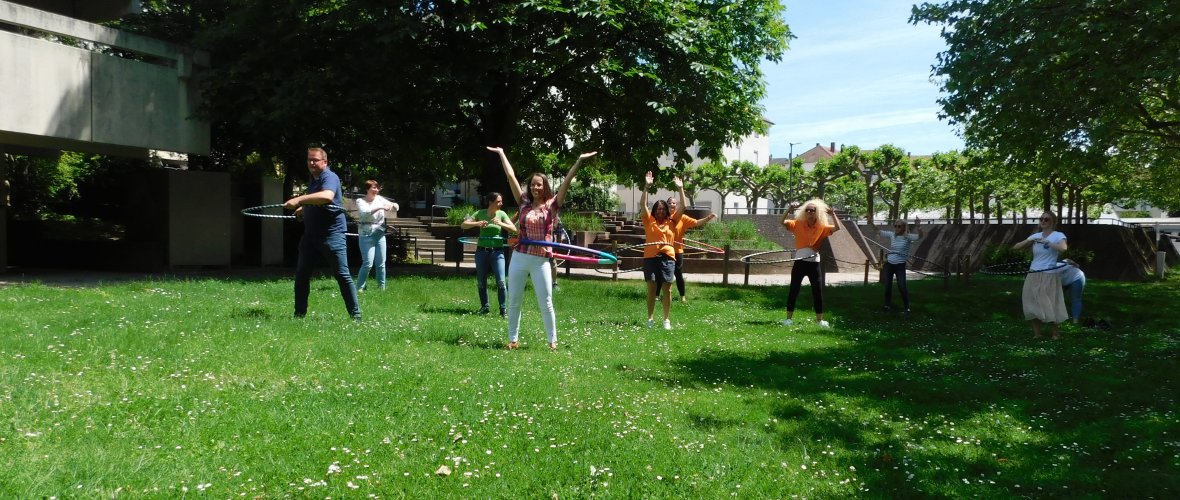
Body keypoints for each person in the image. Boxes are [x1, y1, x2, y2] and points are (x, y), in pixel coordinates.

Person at [487, 146, 596, 350]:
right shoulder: (523, 202)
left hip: (541, 259)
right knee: (514, 300)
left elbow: (566, 183)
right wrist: (502, 153)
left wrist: (579, 161)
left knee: (546, 302)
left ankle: (552, 341)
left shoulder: (552, 204)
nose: (535, 188)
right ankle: (513, 339)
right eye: (532, 185)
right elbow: (510, 176)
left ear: (544, 186)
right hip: (520, 256)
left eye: (539, 185)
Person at [285, 147, 361, 320]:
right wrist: (304, 209)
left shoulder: (330, 177)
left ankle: (356, 317)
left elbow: (327, 196)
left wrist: (299, 199)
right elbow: (319, 201)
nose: (312, 163)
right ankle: (299, 315)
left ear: (325, 162)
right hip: (310, 236)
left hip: (332, 234)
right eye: (309, 160)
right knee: (302, 275)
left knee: (342, 275)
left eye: (316, 160)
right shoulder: (313, 180)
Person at [780, 199, 842, 327]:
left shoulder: (821, 226)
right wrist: (788, 210)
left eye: (812, 210)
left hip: (814, 264)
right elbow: (782, 222)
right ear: (804, 212)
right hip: (800, 262)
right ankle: (788, 319)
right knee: (794, 290)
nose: (809, 212)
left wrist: (832, 214)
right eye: (807, 210)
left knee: (817, 292)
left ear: (816, 212)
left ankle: (820, 320)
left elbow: (837, 228)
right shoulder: (798, 223)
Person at [639, 171, 685, 330]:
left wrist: (680, 189)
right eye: (657, 209)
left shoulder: (672, 222)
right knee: (651, 287)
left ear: (667, 210)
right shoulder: (648, 220)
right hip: (650, 258)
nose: (660, 211)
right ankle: (650, 319)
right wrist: (646, 187)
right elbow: (642, 205)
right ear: (654, 211)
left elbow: (683, 206)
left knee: (668, 287)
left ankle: (666, 320)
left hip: (667, 258)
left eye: (663, 209)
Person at [1012, 211, 1069, 339]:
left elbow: (1063, 248)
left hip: (1049, 273)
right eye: (1041, 219)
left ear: (1053, 222)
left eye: (1046, 219)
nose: (1043, 221)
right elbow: (1016, 247)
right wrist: (1029, 241)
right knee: (1032, 302)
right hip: (1033, 272)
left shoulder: (1058, 235)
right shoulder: (1036, 236)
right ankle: (1037, 334)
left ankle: (1055, 333)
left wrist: (1047, 243)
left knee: (1049, 303)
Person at [461, 192, 516, 316]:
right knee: (481, 281)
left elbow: (513, 229)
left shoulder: (501, 214)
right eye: (498, 201)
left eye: (501, 201)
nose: (501, 204)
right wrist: (477, 223)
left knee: (501, 281)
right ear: (490, 202)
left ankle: (503, 310)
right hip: (482, 251)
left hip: (497, 252)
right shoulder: (480, 213)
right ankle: (485, 307)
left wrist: (500, 223)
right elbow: (463, 225)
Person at [667, 195, 717, 302]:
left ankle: (682, 297)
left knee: (678, 273)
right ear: (667, 205)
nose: (672, 204)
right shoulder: (663, 217)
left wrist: (709, 217)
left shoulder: (683, 218)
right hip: (665, 249)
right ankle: (657, 296)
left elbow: (697, 222)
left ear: (677, 206)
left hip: (677, 250)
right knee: (664, 273)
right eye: (670, 203)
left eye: (674, 203)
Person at [355, 179, 398, 292]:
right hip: (366, 235)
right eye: (373, 188)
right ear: (367, 189)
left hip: (379, 234)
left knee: (381, 264)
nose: (376, 190)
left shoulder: (379, 199)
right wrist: (381, 207)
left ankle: (381, 289)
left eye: (377, 188)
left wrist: (393, 205)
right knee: (368, 263)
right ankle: (359, 288)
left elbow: (395, 206)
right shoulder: (360, 201)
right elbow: (365, 214)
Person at [873, 218, 922, 313]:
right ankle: (887, 306)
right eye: (895, 226)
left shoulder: (908, 237)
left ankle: (907, 307)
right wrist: (871, 222)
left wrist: (918, 226)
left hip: (900, 265)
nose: (896, 228)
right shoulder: (892, 235)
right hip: (889, 264)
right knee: (887, 286)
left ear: (904, 227)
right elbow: (878, 231)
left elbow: (920, 236)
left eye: (899, 226)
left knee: (902, 286)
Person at [1058, 258, 1085, 324]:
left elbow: (1067, 260)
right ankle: (1057, 318)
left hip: (1076, 278)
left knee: (1076, 299)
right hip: (1063, 281)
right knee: (1057, 299)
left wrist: (1075, 264)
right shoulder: (1046, 271)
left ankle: (1075, 321)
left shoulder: (1057, 266)